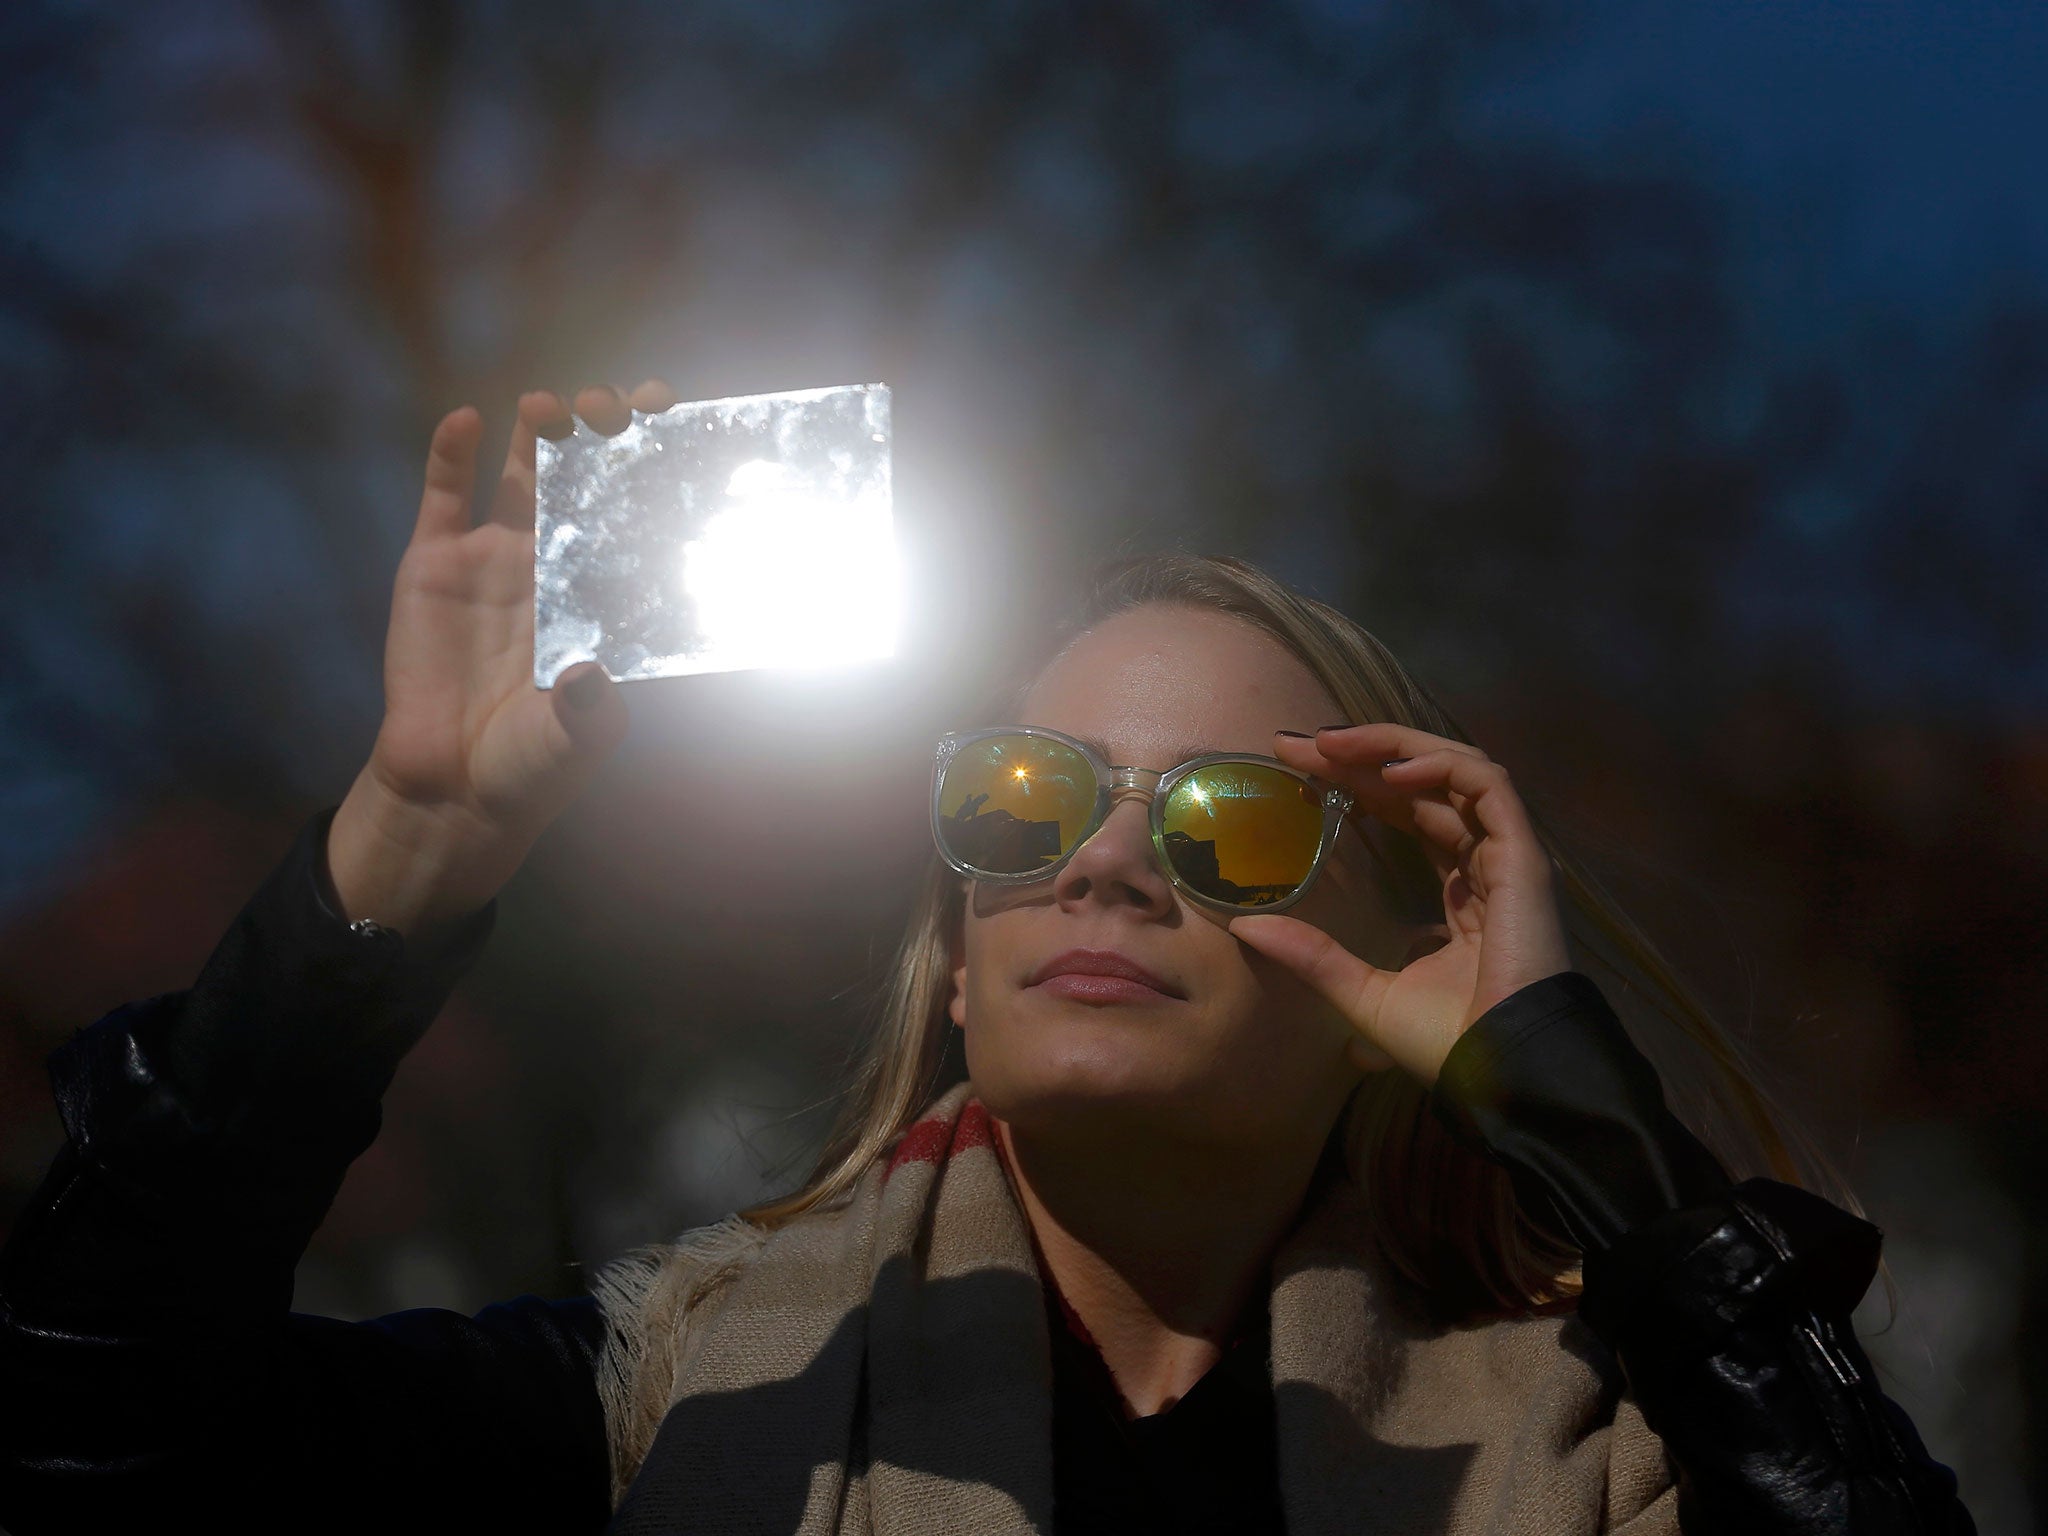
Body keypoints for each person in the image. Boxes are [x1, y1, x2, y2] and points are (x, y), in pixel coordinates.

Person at [0, 385, 1974, 1535]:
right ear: (954, 954)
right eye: (1024, 798)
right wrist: (413, 846)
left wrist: (1574, 1120)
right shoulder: (659, 1399)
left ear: (1394, 983)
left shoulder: (1626, 1452)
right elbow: (86, 1428)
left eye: (1230, 823)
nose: (1109, 858)